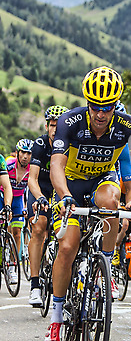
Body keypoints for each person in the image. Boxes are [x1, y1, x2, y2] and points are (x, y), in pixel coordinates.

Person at [45, 66, 131, 341]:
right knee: (68, 246)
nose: (101, 114)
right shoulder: (71, 121)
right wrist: (64, 195)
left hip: (101, 183)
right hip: (70, 186)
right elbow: (56, 164)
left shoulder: (129, 126)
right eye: (95, 107)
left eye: (107, 108)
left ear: (115, 105)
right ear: (87, 103)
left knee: (111, 203)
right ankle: (56, 319)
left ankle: (103, 264)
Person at [27, 105, 68, 307]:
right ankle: (35, 285)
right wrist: (40, 198)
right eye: (52, 125)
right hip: (40, 189)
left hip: (60, 190)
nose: (55, 129)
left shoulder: (71, 144)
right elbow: (32, 179)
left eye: (59, 125)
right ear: (47, 125)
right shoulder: (41, 144)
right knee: (39, 228)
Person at [5, 139, 33, 260]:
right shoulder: (9, 165)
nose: (25, 157)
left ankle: (13, 263)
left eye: (29, 153)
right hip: (3, 196)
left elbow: (30, 190)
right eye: (23, 152)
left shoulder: (32, 170)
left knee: (17, 231)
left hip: (18, 199)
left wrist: (27, 206)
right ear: (17, 153)